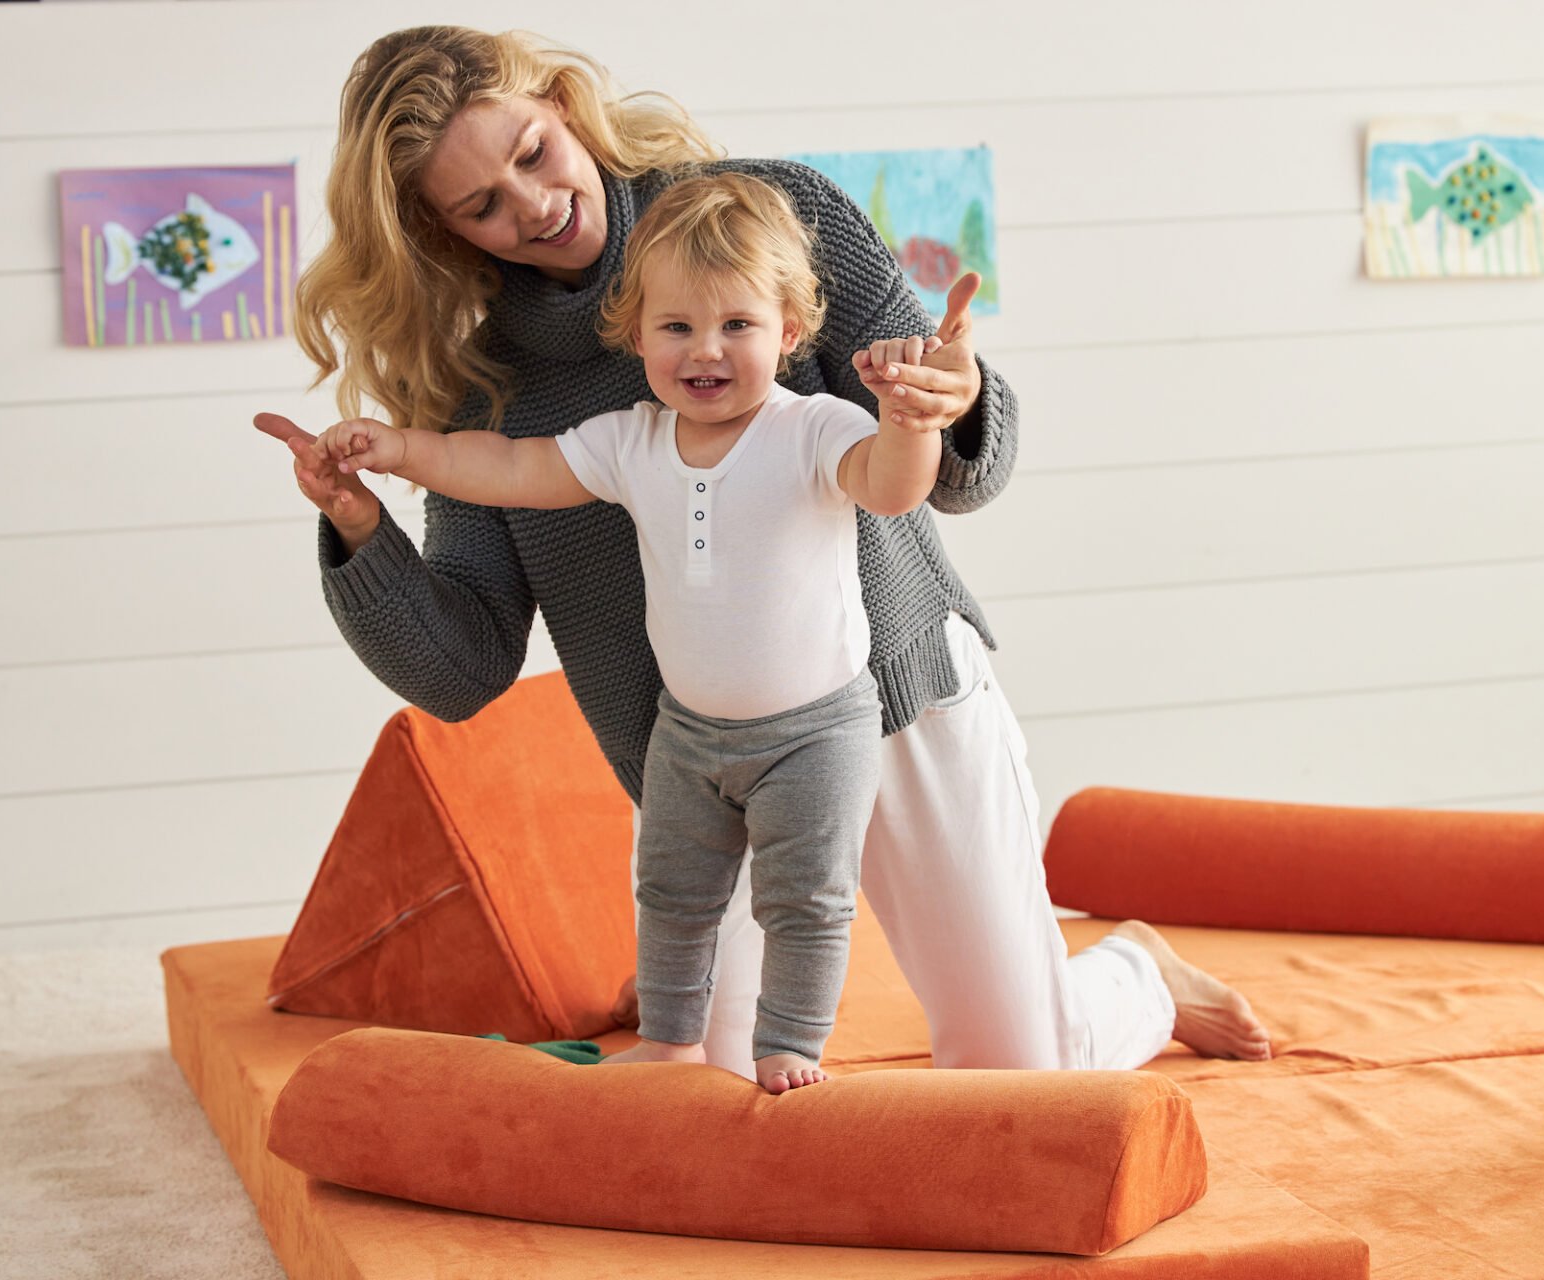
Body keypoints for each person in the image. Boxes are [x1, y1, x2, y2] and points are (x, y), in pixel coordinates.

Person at [255, 24, 1271, 1077]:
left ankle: (1132, 978)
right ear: (439, 231)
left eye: (532, 154)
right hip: (702, 769)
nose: (535, 205)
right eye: (482, 206)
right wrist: (360, 532)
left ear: (563, 105)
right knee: (719, 1098)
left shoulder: (773, 213)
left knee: (1021, 1068)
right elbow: (461, 671)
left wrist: (950, 399)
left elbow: (957, 473)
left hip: (895, 693)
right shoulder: (485, 389)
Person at [312, 172, 942, 1092]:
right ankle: (674, 1038)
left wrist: (912, 421)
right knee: (672, 895)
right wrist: (402, 450)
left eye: (737, 326)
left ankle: (791, 1047)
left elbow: (892, 486)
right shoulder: (632, 439)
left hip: (815, 732)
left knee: (803, 902)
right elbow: (510, 464)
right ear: (638, 335)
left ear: (789, 334)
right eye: (677, 327)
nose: (706, 351)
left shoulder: (814, 427)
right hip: (685, 734)